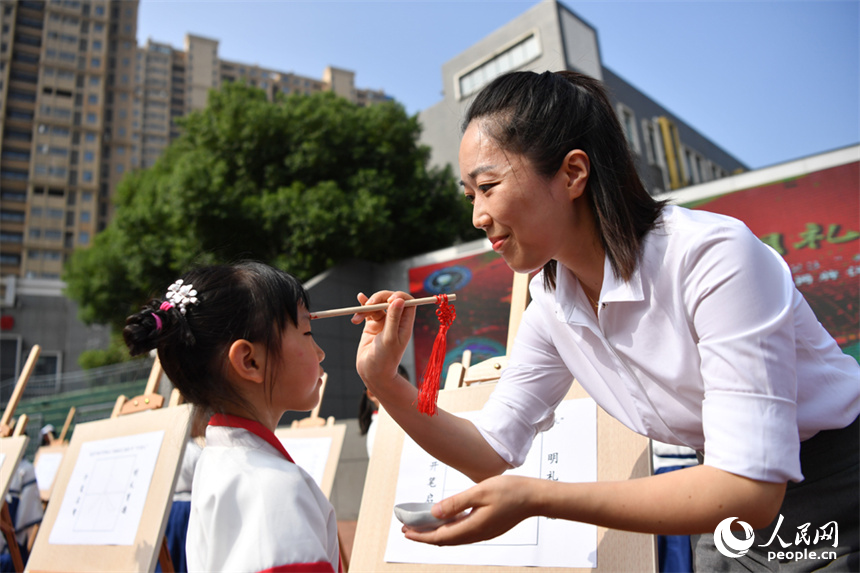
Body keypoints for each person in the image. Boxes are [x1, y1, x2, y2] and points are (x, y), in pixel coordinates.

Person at [353, 70, 859, 571]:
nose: (477, 216)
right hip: (725, 504)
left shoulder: (711, 257)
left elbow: (747, 488)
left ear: (573, 173)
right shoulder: (551, 303)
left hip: (838, 489)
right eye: (470, 195)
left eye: (488, 186)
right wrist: (384, 381)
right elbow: (490, 451)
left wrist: (538, 498)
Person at [124, 261, 341, 573]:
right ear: (249, 361)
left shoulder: (221, 461)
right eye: (307, 331)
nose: (319, 352)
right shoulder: (274, 489)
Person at [359, 364, 408, 458]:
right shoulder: (379, 427)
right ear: (372, 394)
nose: (403, 395)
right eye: (396, 389)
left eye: (407, 388)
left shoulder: (399, 421)